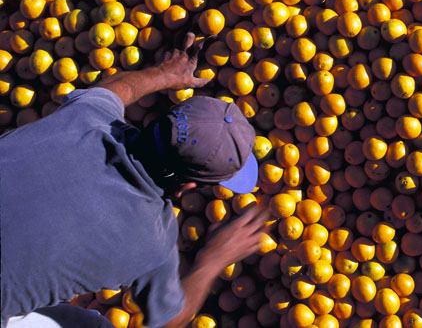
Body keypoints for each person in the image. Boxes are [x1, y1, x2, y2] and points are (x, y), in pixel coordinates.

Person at [0, 34, 269, 328]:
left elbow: (117, 89)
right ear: (188, 186)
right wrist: (213, 260)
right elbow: (169, 321)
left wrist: (163, 74)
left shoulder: (88, 116)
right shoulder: (151, 241)